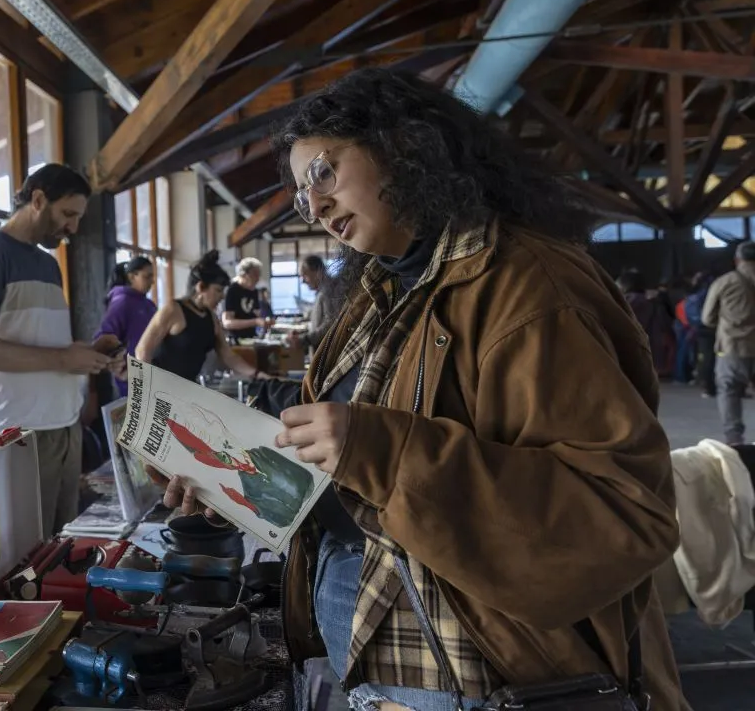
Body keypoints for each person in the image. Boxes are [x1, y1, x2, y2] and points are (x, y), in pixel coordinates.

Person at [155, 70, 686, 710]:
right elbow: (349, 478)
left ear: (404, 145)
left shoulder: (531, 287)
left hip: (476, 667)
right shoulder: (379, 290)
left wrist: (384, 450)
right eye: (300, 193)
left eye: (323, 173)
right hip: (378, 648)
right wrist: (240, 484)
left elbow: (622, 517)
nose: (314, 206)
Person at [0, 164, 123, 538]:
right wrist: (64, 359)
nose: (73, 228)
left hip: (65, 428)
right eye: (67, 214)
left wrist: (89, 352)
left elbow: (41, 344)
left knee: (59, 550)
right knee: (23, 557)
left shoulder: (49, 265)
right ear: (39, 199)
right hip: (18, 433)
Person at [136, 251, 270, 384]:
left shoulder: (211, 317)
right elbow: (142, 351)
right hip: (162, 387)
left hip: (187, 387)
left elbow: (228, 356)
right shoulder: (173, 310)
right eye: (218, 290)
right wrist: (148, 387)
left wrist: (258, 374)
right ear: (200, 287)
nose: (222, 296)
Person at [703, 241, 755, 444]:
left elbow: (707, 318)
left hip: (733, 346)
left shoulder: (725, 282)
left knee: (729, 389)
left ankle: (734, 438)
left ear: (737, 260)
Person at [97, 255, 157, 396]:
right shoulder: (121, 302)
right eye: (147, 276)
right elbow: (104, 338)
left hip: (153, 375)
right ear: (132, 277)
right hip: (131, 382)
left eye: (152, 276)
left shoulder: (149, 305)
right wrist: (120, 367)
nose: (152, 281)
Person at [222, 257, 268, 342]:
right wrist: (254, 322)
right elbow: (227, 323)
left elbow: (257, 315)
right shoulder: (232, 291)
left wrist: (265, 322)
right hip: (236, 340)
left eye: (259, 275)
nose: (257, 279)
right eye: (255, 275)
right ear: (244, 274)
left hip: (252, 338)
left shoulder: (254, 291)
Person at [299, 254, 340, 350]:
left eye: (305, 275)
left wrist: (306, 339)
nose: (303, 281)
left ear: (318, 272)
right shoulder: (323, 290)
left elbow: (330, 323)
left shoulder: (329, 291)